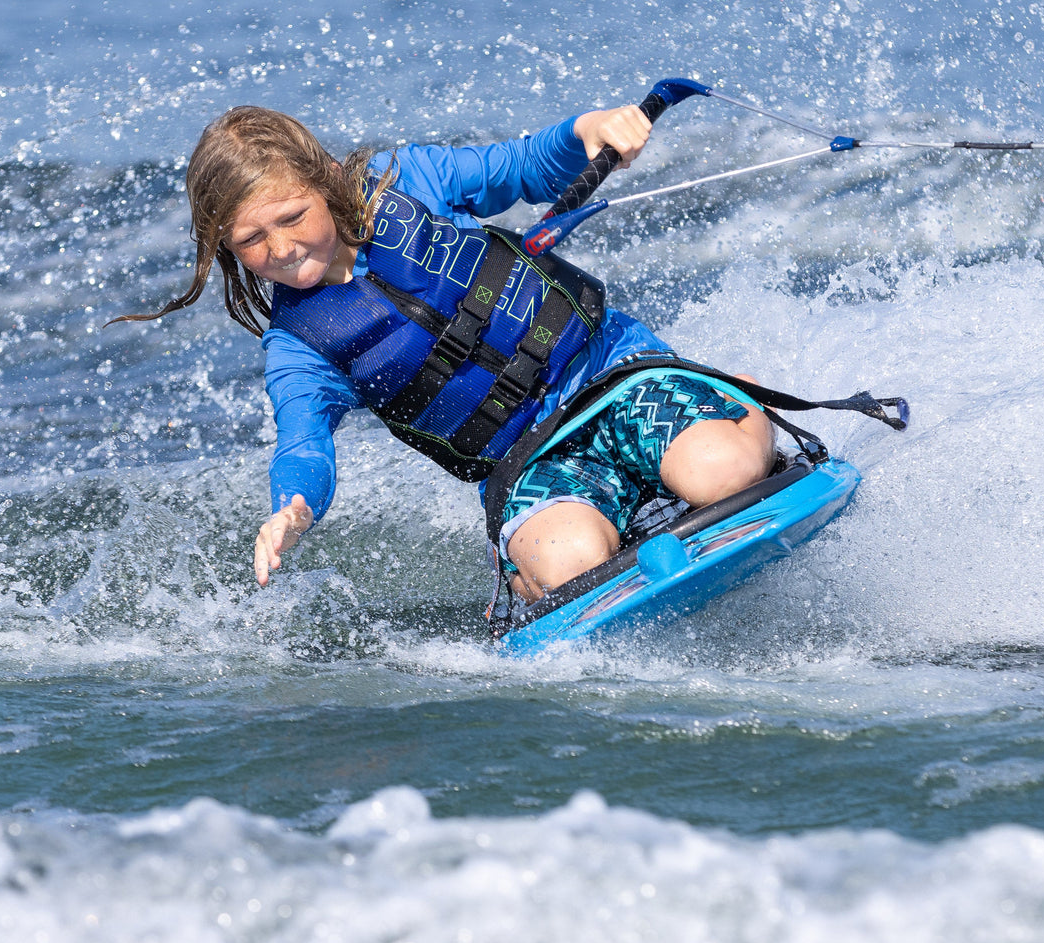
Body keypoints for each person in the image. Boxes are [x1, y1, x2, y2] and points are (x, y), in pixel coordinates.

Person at [114, 101, 776, 604]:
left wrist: (587, 131)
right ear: (225, 248)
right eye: (251, 240)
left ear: (324, 184)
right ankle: (536, 560)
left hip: (608, 374)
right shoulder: (297, 347)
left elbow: (519, 168)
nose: (281, 248)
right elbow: (303, 443)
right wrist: (293, 507)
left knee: (721, 474)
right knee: (574, 569)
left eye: (291, 217)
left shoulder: (414, 183)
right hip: (523, 460)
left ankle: (730, 404)